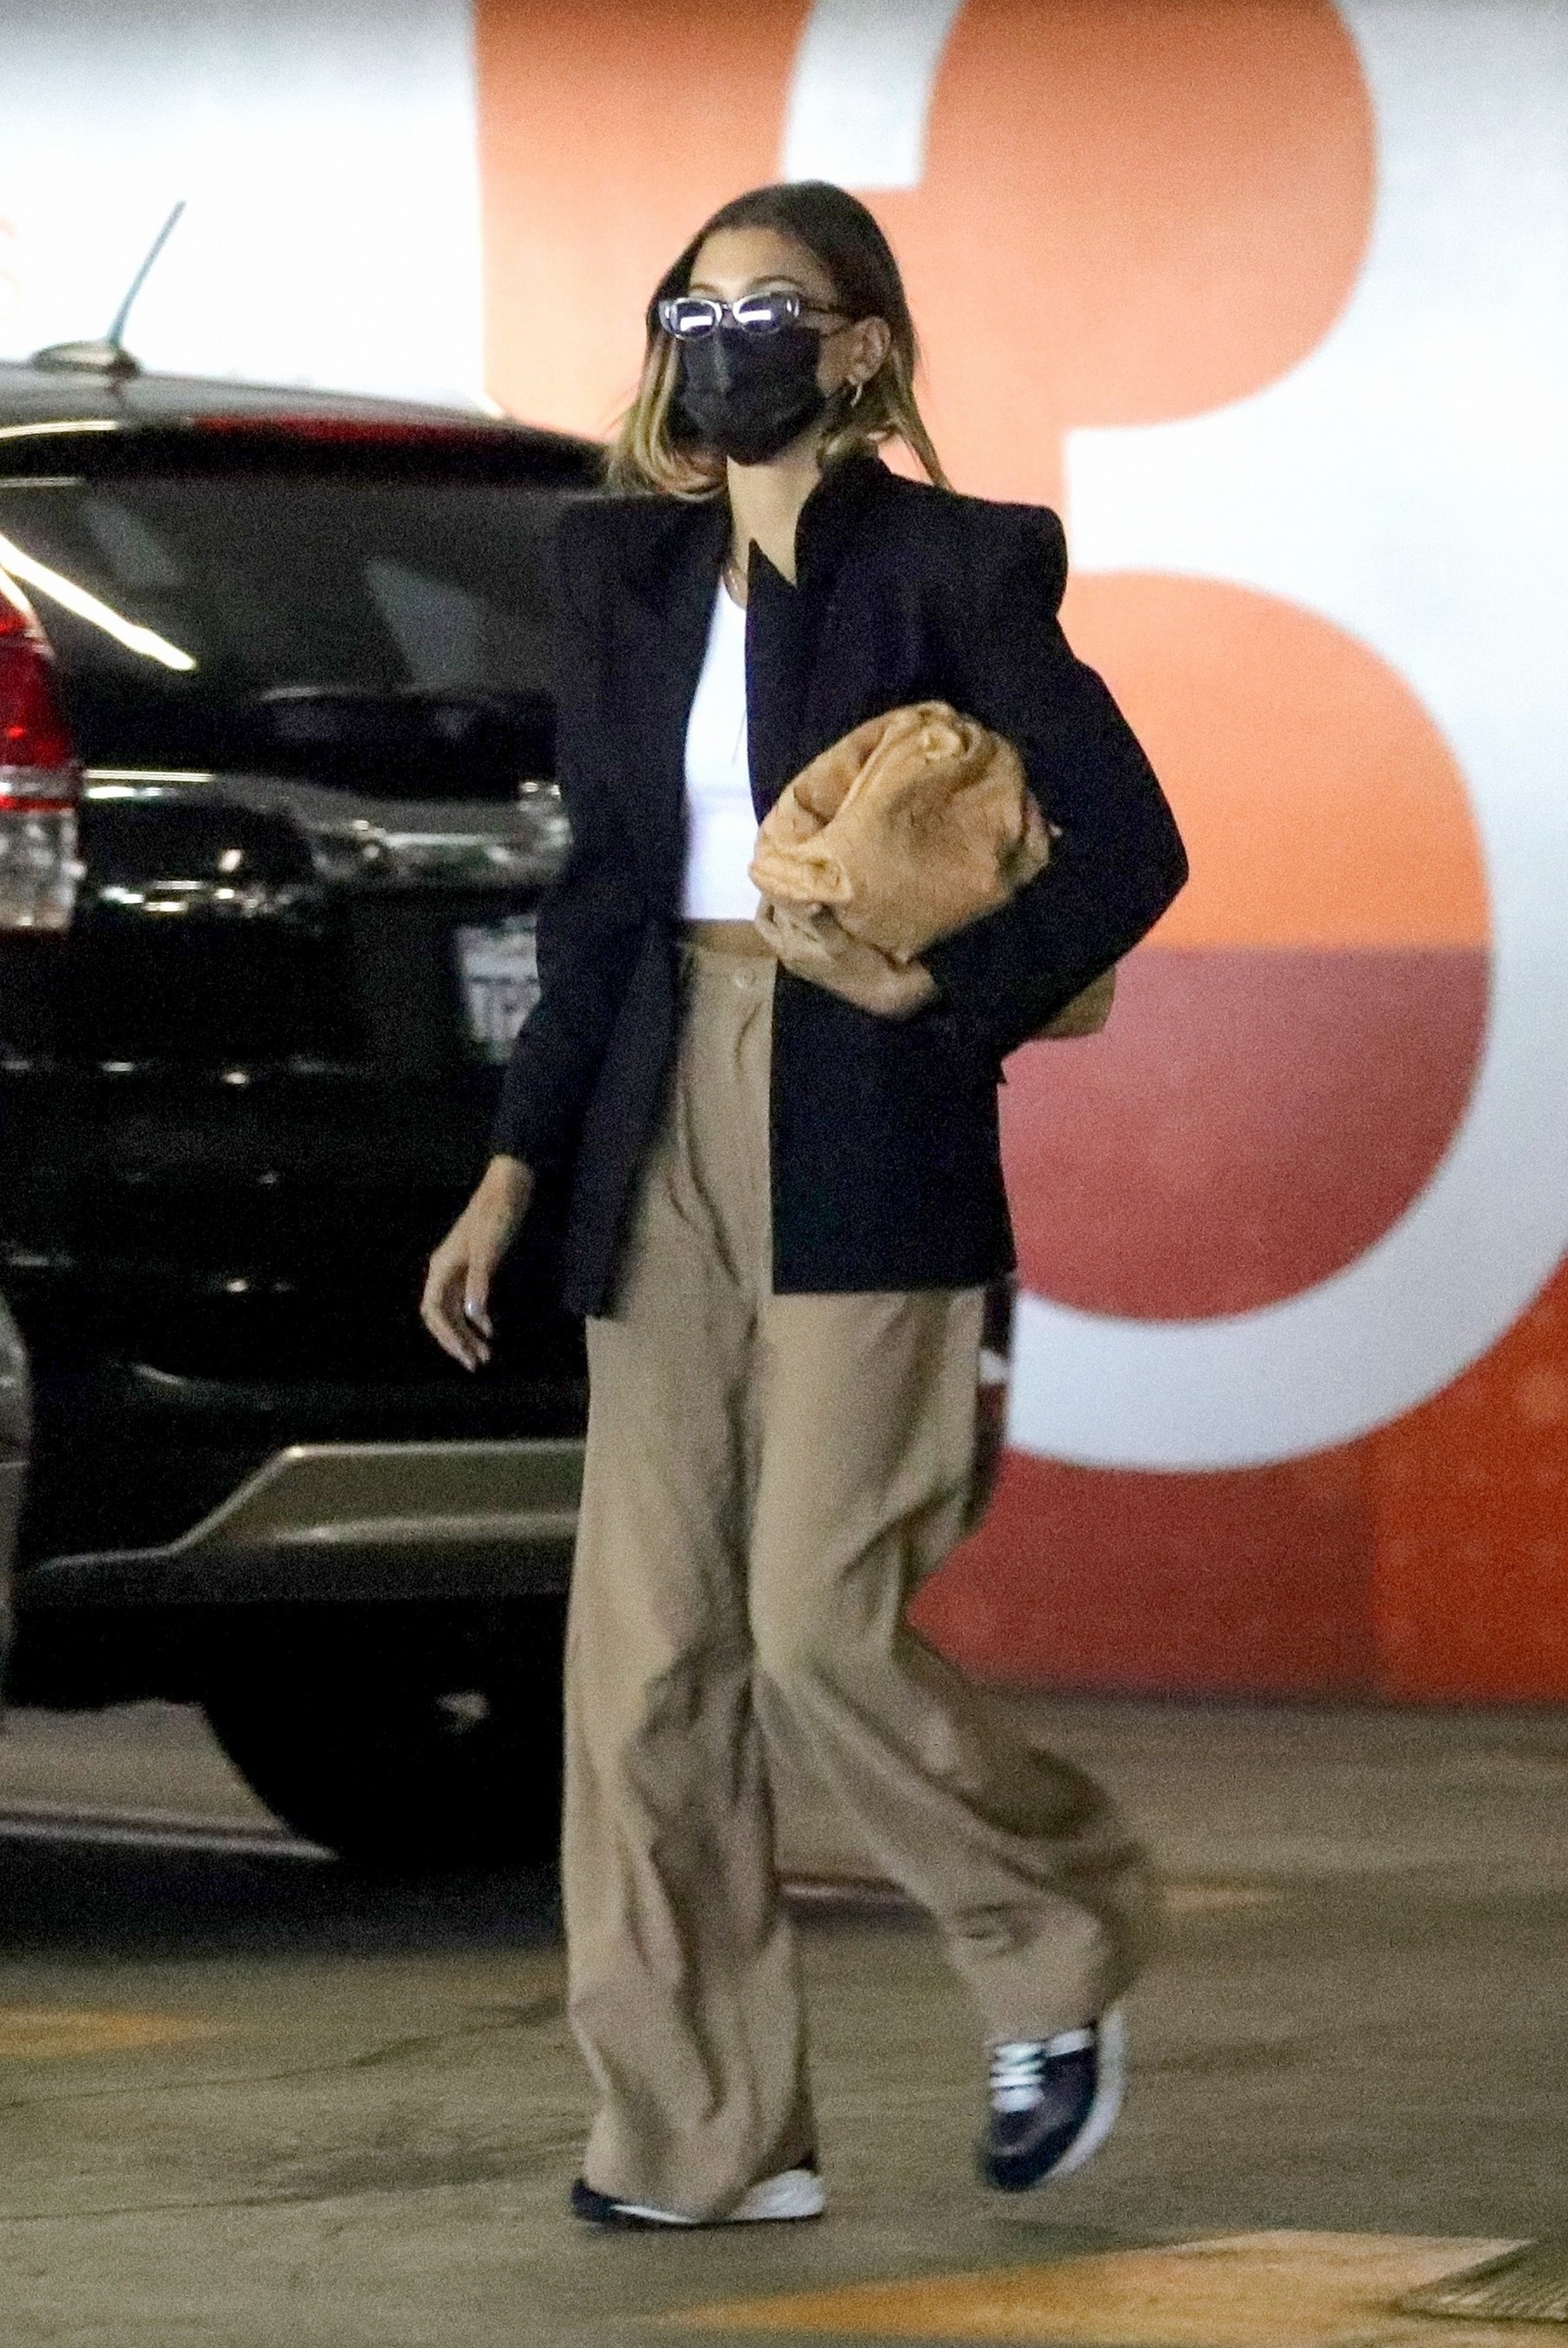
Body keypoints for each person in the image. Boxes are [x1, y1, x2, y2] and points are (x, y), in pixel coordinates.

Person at [422, 179, 1187, 2230]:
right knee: (644, 1667)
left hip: (859, 1109)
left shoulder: (954, 561)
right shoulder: (621, 571)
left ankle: (1053, 1938)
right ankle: (698, 2136)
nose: (719, 342)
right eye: (693, 306)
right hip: (648, 1102)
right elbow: (601, 898)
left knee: (816, 1629)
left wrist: (952, 1005)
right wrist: (513, 1164)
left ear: (856, 348)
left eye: (767, 308)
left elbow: (1131, 840)